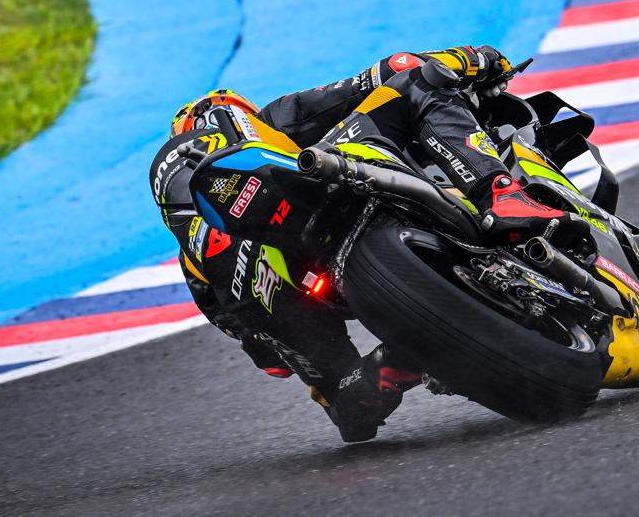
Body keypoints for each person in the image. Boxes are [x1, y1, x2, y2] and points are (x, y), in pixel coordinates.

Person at [148, 45, 572, 442]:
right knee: (415, 81)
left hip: (285, 290)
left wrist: (331, 375)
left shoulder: (196, 268)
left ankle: (378, 373)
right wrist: (477, 59)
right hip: (325, 199)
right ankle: (498, 191)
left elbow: (270, 361)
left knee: (349, 402)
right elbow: (392, 70)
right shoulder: (276, 120)